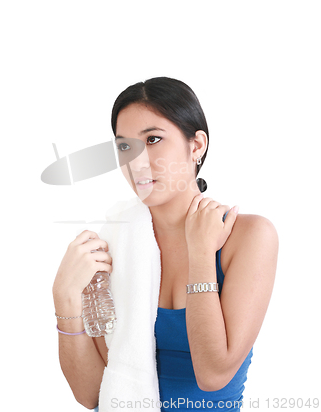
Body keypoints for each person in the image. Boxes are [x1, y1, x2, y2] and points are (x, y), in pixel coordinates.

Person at [53, 77, 279, 411]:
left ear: (196, 145)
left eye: (154, 139)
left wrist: (201, 252)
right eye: (125, 147)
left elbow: (213, 374)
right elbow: (92, 394)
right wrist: (65, 298)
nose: (137, 162)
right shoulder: (114, 246)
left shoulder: (248, 236)